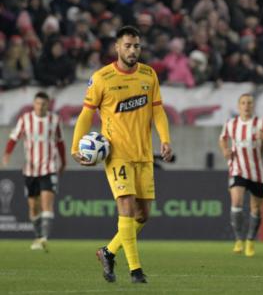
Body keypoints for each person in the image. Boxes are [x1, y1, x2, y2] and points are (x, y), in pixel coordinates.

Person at [71, 26, 172, 283]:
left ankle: (108, 251)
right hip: (116, 154)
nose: (132, 50)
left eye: (136, 46)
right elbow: (86, 115)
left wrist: (165, 140)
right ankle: (136, 270)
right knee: (126, 208)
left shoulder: (149, 75)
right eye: (127, 45)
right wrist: (75, 147)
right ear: (117, 47)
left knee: (142, 215)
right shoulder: (102, 77)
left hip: (144, 153)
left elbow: (158, 111)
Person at [2, 92, 66, 250]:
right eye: (38, 103)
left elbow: (60, 143)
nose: (40, 107)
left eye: (44, 104)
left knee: (47, 203)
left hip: (49, 167)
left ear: (48, 105)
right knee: (33, 206)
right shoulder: (25, 119)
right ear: (34, 104)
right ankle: (38, 237)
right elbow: (13, 137)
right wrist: (7, 154)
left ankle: (44, 238)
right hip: (30, 169)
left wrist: (63, 162)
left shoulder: (54, 120)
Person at [218, 93, 263, 257]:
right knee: (236, 201)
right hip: (238, 169)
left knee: (256, 209)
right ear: (238, 106)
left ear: (253, 106)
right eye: (243, 103)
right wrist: (225, 150)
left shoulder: (262, 124)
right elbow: (222, 138)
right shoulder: (231, 124)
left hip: (257, 172)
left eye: (249, 103)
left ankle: (250, 240)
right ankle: (238, 240)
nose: (246, 106)